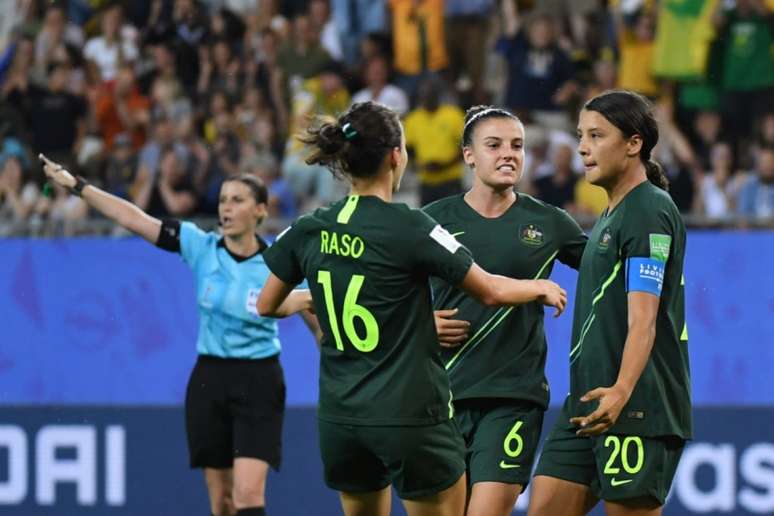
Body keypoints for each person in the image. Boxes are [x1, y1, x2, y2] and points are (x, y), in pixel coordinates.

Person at [256, 101, 568, 516]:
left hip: (342, 419)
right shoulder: (413, 226)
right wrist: (538, 287)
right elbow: (490, 291)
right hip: (409, 415)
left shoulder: (309, 228)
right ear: (396, 156)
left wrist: (318, 297)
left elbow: (267, 305)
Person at [39, 154, 315, 516]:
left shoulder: (277, 264)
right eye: (222, 200)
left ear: (261, 211)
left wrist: (337, 360)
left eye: (238, 200)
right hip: (210, 380)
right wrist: (79, 187)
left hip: (259, 380)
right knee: (223, 501)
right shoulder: (199, 246)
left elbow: (316, 319)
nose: (226, 208)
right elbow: (133, 219)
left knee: (249, 496)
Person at [528, 90, 691, 516]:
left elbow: (644, 319)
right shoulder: (613, 213)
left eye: (597, 135)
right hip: (587, 400)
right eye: (581, 135)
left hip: (633, 404)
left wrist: (621, 392)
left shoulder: (648, 210)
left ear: (633, 143)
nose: (582, 146)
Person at [424, 106, 588, 516]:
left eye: (517, 146)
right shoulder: (432, 222)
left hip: (513, 396)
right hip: (440, 397)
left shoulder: (549, 223)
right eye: (494, 145)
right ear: (469, 155)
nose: (508, 154)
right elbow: (380, 296)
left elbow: (607, 272)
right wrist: (419, 324)